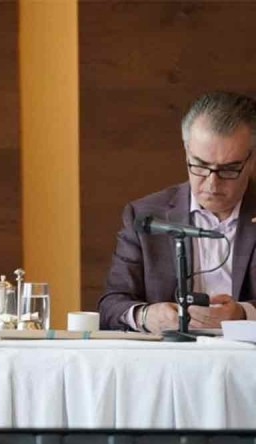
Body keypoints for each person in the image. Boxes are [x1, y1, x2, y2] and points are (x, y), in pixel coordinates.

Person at [99, 91, 256, 333]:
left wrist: (244, 314)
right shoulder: (145, 216)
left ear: (251, 159)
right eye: (200, 165)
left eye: (228, 169)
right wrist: (145, 316)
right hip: (169, 354)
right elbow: (110, 306)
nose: (212, 184)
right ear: (186, 151)